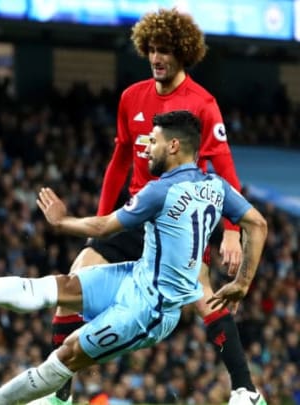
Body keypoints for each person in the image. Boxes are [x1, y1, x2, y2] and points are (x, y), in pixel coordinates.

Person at [0, 110, 268, 405]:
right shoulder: (217, 186)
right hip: (136, 276)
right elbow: (257, 224)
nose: (146, 148)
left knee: (69, 352)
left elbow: (104, 226)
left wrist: (62, 222)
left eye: (153, 141)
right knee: (63, 286)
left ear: (173, 146)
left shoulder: (159, 190)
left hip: (149, 310)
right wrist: (242, 283)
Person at [38, 8, 263, 405]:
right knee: (72, 284)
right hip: (138, 211)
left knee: (202, 293)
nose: (157, 57)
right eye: (153, 49)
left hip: (181, 216)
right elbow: (119, 160)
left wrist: (231, 230)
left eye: (166, 50)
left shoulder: (203, 103)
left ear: (184, 53)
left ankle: (245, 390)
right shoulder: (131, 97)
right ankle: (61, 395)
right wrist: (102, 218)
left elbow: (224, 167)